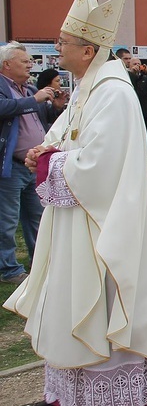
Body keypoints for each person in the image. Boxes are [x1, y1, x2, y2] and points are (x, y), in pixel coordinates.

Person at [3, 0, 147, 406]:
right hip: (77, 219)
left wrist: (50, 162)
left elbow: (99, 168)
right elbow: (63, 137)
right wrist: (46, 149)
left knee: (103, 305)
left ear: (88, 50)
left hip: (103, 223)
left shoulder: (113, 93)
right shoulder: (85, 90)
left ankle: (111, 392)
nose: (56, 49)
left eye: (63, 42)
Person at [0, 42, 64, 285]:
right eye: (24, 61)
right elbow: (4, 108)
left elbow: (37, 121)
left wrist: (54, 108)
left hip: (31, 164)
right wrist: (34, 99)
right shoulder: (8, 89)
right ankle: (9, 269)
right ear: (7, 65)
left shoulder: (25, 89)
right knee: (6, 221)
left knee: (37, 217)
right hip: (10, 165)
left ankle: (39, 263)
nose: (30, 64)